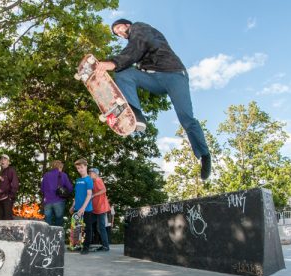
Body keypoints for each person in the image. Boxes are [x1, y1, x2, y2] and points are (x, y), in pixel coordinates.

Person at [98, 19, 211, 180]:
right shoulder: (132, 43)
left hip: (174, 76)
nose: (120, 33)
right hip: (154, 80)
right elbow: (129, 55)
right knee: (124, 73)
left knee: (186, 119)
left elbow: (136, 46)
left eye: (120, 28)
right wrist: (105, 68)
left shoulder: (140, 28)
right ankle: (135, 113)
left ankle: (204, 155)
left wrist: (112, 63)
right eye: (117, 33)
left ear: (127, 25)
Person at [70, 159, 94, 255]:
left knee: (87, 228)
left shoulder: (89, 180)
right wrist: (73, 206)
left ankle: (86, 247)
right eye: (78, 168)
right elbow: (76, 195)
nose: (80, 170)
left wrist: (83, 208)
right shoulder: (78, 180)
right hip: (77, 209)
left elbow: (89, 195)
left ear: (86, 167)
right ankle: (77, 245)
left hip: (86, 209)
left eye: (81, 167)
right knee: (77, 228)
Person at [41, 160, 73, 227]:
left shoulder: (46, 175)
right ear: (60, 167)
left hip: (47, 201)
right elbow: (70, 188)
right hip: (59, 201)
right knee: (59, 221)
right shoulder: (63, 175)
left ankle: (47, 236)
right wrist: (65, 193)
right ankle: (57, 237)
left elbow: (42, 189)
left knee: (47, 221)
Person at [88, 167, 110, 252]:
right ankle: (87, 242)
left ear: (96, 174)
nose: (89, 174)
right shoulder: (92, 181)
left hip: (101, 208)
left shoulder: (97, 180)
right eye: (89, 172)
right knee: (88, 224)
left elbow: (104, 190)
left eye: (91, 173)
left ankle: (105, 246)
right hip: (95, 209)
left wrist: (94, 195)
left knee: (101, 227)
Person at [0, 154, 19, 220]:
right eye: (1, 159)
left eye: (5, 159)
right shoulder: (2, 172)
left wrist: (10, 196)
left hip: (7, 199)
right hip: (1, 199)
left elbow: (15, 184)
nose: (2, 160)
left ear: (9, 162)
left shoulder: (11, 170)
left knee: (7, 219)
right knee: (1, 219)